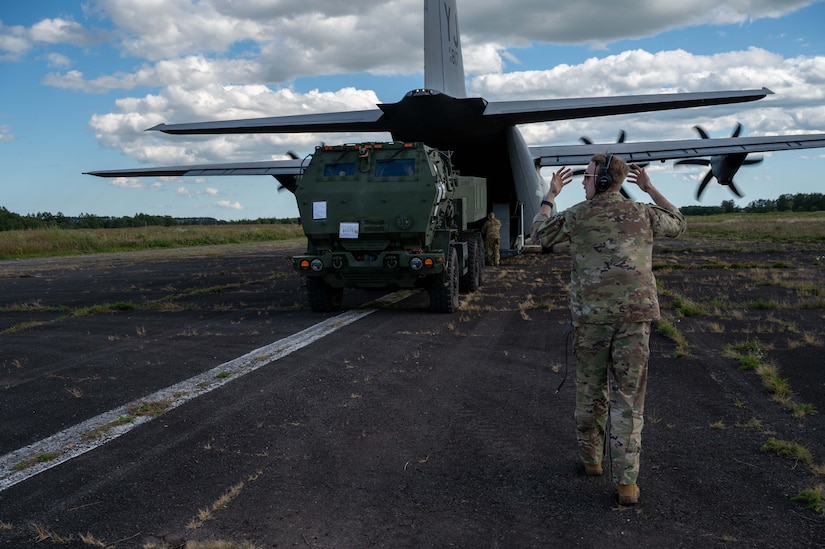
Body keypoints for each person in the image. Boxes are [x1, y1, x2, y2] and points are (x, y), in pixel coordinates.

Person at [531, 154, 686, 505]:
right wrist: (650, 189)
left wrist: (550, 196)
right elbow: (678, 221)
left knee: (590, 394)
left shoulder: (577, 215)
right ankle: (627, 484)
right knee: (629, 400)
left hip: (593, 321)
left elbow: (539, 235)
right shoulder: (643, 212)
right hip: (635, 320)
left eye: (586, 178)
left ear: (601, 182)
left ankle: (592, 461)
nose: (583, 183)